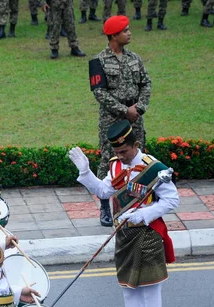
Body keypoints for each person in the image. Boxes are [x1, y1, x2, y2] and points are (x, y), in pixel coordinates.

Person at [69, 120, 179, 307]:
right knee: (129, 292)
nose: (120, 156)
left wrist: (145, 214)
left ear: (136, 145)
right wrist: (86, 173)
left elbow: (172, 200)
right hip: (125, 237)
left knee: (150, 294)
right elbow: (104, 192)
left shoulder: (154, 169)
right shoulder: (115, 166)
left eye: (124, 152)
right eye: (117, 153)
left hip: (148, 235)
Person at [90, 15, 151, 227]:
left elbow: (146, 84)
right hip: (112, 119)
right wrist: (125, 111)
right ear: (114, 36)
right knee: (109, 160)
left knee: (137, 159)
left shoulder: (135, 58)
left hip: (135, 117)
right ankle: (105, 206)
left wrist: (139, 108)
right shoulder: (98, 62)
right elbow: (100, 93)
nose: (129, 33)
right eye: (125, 30)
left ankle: (136, 201)